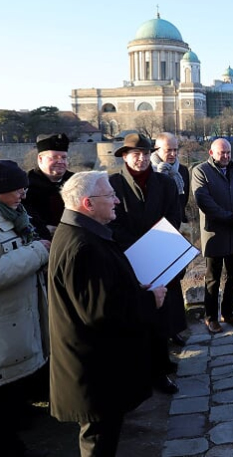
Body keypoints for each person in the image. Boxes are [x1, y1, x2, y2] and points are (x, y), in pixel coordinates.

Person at [48, 171, 167, 457]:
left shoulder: (83, 234)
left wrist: (134, 287)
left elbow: (102, 291)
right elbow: (101, 312)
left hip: (98, 368)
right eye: (110, 196)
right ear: (88, 203)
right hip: (95, 373)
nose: (116, 200)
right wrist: (150, 299)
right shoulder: (83, 246)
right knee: (98, 442)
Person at [109, 133, 182, 395]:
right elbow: (112, 223)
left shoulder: (165, 183)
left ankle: (160, 369)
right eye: (134, 154)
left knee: (161, 313)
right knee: (136, 314)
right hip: (129, 258)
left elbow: (175, 214)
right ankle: (140, 370)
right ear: (125, 157)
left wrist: (156, 240)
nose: (140, 158)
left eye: (144, 153)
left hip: (160, 252)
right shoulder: (113, 184)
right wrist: (139, 246)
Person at [0, 160, 51, 457]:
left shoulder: (17, 216)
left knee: (17, 383)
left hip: (24, 312)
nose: (23, 193)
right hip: (7, 320)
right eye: (17, 188)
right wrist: (37, 252)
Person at [192, 138, 233, 334]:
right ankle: (211, 318)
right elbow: (204, 201)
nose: (226, 156)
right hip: (215, 233)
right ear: (211, 153)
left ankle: (228, 312)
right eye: (221, 153)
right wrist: (229, 217)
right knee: (213, 279)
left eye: (228, 152)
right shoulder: (201, 171)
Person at [151, 132, 190, 346]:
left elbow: (182, 204)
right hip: (155, 235)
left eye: (176, 149)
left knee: (175, 284)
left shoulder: (182, 171)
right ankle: (160, 332)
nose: (173, 154)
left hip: (175, 232)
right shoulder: (150, 172)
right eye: (169, 150)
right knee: (157, 285)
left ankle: (175, 329)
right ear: (157, 151)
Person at [23, 133, 74, 240]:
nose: (60, 161)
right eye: (54, 157)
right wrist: (42, 228)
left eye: (63, 157)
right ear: (40, 159)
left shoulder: (75, 182)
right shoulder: (25, 185)